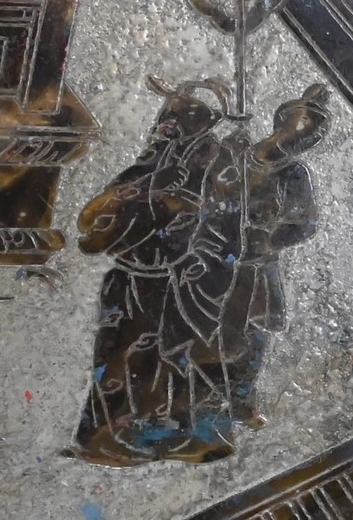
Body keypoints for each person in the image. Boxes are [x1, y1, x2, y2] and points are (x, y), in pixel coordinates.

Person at [73, 83, 327, 465]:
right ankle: (112, 432)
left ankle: (205, 420)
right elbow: (102, 227)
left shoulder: (288, 173)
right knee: (142, 354)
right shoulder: (184, 166)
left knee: (231, 343)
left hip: (228, 271)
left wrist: (262, 241)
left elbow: (302, 224)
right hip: (154, 276)